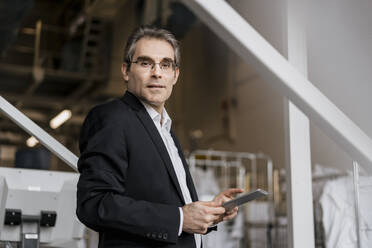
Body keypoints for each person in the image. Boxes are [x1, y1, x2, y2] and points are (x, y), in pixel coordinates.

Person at [76, 25, 243, 248]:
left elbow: (167, 204)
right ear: (125, 70)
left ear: (175, 75)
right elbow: (94, 203)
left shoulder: (164, 128)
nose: (157, 72)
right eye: (145, 63)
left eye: (166, 64)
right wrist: (180, 218)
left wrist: (208, 212)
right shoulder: (112, 118)